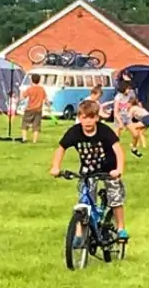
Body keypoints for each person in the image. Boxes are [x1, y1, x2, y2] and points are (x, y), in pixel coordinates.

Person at [51, 98, 126, 234]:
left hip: (109, 169)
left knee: (115, 198)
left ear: (97, 117)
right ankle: (79, 234)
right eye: (84, 118)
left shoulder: (104, 131)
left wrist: (119, 169)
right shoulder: (74, 132)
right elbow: (61, 149)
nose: (88, 121)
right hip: (88, 170)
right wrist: (56, 167)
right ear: (79, 118)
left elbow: (118, 150)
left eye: (91, 118)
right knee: (84, 200)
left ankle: (121, 228)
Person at [18, 74, 49, 144]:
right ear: (39, 80)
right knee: (36, 126)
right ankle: (34, 141)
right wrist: (49, 106)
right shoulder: (41, 89)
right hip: (38, 110)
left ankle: (24, 138)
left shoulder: (30, 89)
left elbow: (22, 97)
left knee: (25, 123)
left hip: (29, 109)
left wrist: (21, 93)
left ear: (31, 80)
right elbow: (46, 99)